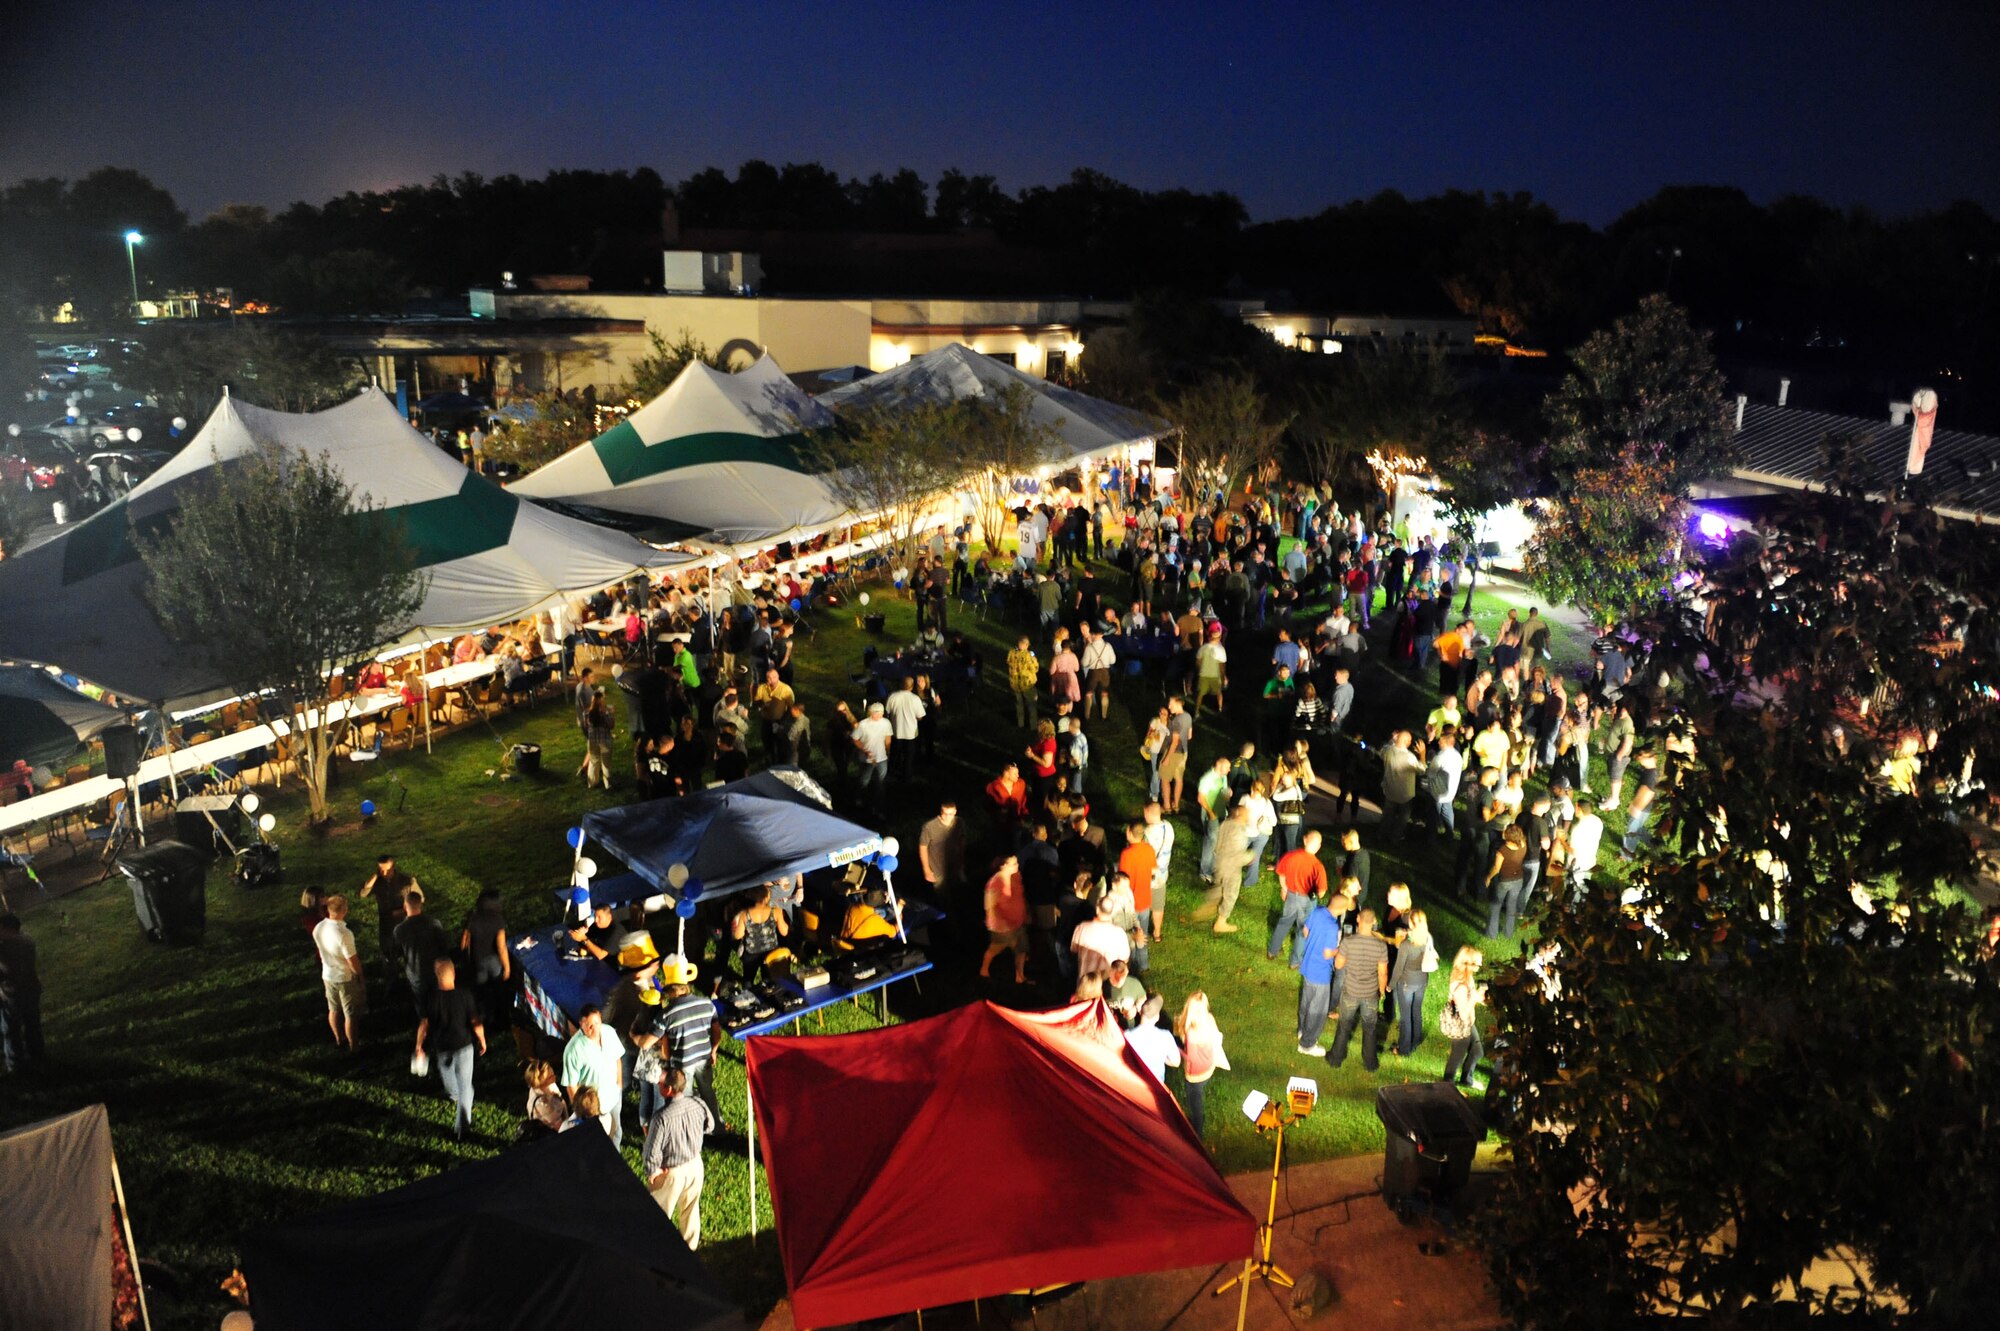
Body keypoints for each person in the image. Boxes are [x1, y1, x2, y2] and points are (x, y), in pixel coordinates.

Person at [413, 958, 486, 1140]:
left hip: (442, 1049)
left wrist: (419, 1046)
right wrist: (482, 1039)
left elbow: (424, 1025)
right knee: (464, 1087)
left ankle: (462, 1126)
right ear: (453, 974)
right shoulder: (465, 995)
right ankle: (462, 1103)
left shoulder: (431, 999)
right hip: (463, 1047)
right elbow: (475, 1021)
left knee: (454, 1084)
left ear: (437, 976)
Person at [644, 1067, 714, 1249]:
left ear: (668, 1089)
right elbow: (710, 1125)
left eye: (660, 1083)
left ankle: (657, 1252)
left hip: (672, 1172)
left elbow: (652, 1152)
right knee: (691, 1211)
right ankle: (689, 1252)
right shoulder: (698, 1103)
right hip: (695, 1166)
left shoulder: (661, 1118)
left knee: (657, 1215)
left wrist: (652, 1171)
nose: (658, 1085)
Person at [1326, 908, 1389, 1072]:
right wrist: (1381, 990)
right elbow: (1383, 972)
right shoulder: (1380, 945)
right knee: (1370, 1028)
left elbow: (1338, 964)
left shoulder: (1348, 942)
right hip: (1370, 993)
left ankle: (1335, 1059)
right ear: (1374, 922)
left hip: (1350, 992)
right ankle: (1370, 1063)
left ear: (1358, 920)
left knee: (1344, 1026)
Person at [562, 1004, 626, 1146]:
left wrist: (619, 1085)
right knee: (595, 1141)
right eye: (590, 1026)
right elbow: (571, 1084)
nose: (595, 1029)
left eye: (597, 1023)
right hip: (592, 1107)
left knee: (616, 1132)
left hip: (613, 1097)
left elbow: (617, 1059)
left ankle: (615, 1156)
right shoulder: (573, 1050)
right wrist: (581, 1110)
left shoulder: (609, 1032)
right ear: (581, 1025)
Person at [1294, 891, 1344, 1055]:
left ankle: (1302, 1030)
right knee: (1318, 1011)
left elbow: (1306, 931)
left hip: (1308, 966)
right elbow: (1327, 954)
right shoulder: (1332, 926)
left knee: (1306, 1002)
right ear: (1342, 909)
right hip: (1320, 973)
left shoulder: (1318, 911)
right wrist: (1340, 949)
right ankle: (1307, 1045)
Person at [312, 895, 365, 1050]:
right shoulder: (344, 933)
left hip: (328, 975)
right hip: (345, 977)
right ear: (344, 910)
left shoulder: (319, 928)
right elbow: (352, 960)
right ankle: (354, 1046)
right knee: (350, 1014)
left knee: (333, 1009)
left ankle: (339, 1039)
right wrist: (360, 976)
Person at [1268, 830, 1328, 963]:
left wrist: (1284, 889)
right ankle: (1295, 961)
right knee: (1303, 929)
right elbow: (1322, 892)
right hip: (1307, 900)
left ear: (1305, 840)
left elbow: (1281, 874)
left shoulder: (1290, 856)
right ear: (1319, 846)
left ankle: (1272, 951)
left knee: (1284, 922)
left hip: (1291, 896)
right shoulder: (1318, 866)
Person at [359, 852, 416, 991]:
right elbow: (363, 893)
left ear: (394, 867)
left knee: (408, 953)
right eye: (381, 870)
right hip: (386, 926)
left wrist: (401, 912)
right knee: (388, 955)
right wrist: (374, 878)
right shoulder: (377, 882)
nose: (384, 873)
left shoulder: (406, 881)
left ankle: (412, 981)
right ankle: (392, 985)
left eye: (387, 870)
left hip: (404, 924)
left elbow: (419, 900)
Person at [392, 888, 451, 1019]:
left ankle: (425, 1023)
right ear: (421, 905)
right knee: (438, 999)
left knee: (421, 1002)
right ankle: (440, 1019)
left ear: (405, 906)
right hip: (436, 970)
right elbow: (444, 946)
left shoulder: (400, 930)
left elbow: (397, 952)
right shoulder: (434, 923)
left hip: (416, 973)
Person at [459, 889, 511, 1036]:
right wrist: (507, 967)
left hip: (478, 962)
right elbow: (501, 946)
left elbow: (463, 943)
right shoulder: (498, 920)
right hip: (493, 962)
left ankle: (485, 1020)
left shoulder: (472, 918)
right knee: (498, 991)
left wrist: (466, 959)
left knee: (481, 993)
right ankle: (502, 1021)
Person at [1176, 991, 1228, 1139]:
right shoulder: (1209, 1018)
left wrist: (1178, 1050)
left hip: (1195, 1075)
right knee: (1199, 1093)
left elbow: (1191, 1058)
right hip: (1209, 1066)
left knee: (1195, 1102)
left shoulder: (1192, 1032)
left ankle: (1197, 1132)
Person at [1389, 908, 1437, 1056]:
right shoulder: (1427, 938)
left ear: (1411, 923)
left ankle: (1404, 1049)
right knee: (1416, 1011)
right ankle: (1416, 1040)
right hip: (1422, 981)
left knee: (1405, 1017)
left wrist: (1391, 985)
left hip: (1406, 984)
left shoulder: (1406, 945)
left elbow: (1398, 968)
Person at [1439, 946, 1487, 1089]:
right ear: (1468, 963)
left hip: (1468, 1023)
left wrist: (1478, 997)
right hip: (1461, 1025)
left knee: (1477, 1051)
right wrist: (1475, 997)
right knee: (1457, 1057)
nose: (1480, 966)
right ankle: (1447, 1084)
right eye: (1477, 963)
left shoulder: (1468, 977)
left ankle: (1467, 1079)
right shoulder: (1461, 985)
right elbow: (1464, 1013)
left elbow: (1469, 999)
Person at [0, 912, 43, 1070]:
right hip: (32, 989)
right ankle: (37, 1053)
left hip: (12, 994)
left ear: (6, 928)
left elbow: (5, 971)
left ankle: (15, 1062)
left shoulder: (5, 948)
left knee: (11, 1029)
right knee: (33, 1024)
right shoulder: (27, 939)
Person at [980, 855, 1030, 985]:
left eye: (1017, 863)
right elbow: (989, 906)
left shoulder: (1016, 877)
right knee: (996, 948)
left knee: (1021, 949)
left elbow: (1020, 896)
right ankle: (984, 970)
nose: (1017, 866)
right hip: (1002, 926)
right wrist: (1002, 922)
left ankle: (1020, 976)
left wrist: (1025, 913)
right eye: (1013, 864)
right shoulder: (995, 882)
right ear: (1003, 866)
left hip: (1018, 922)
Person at [1205, 803, 1253, 934]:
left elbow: (1217, 844)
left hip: (1219, 862)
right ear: (1242, 815)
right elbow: (1237, 856)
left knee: (1219, 886)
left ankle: (1209, 905)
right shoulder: (1240, 832)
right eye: (1247, 815)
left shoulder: (1225, 824)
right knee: (1231, 894)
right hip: (1231, 868)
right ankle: (1221, 922)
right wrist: (1250, 856)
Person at [731, 885, 790, 979]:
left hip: (751, 952)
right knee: (769, 980)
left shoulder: (745, 914)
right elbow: (784, 932)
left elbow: (738, 935)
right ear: (766, 898)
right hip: (770, 951)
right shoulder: (775, 911)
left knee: (748, 979)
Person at [1125, 993, 1181, 1085]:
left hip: (1133, 1084)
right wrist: (1162, 1056)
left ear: (1140, 1012)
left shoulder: (1127, 1036)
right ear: (1157, 1017)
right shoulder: (1165, 1037)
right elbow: (1176, 1062)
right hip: (1155, 1087)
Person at [1378, 730, 1423, 842]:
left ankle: (1381, 835)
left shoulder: (1387, 751)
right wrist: (1423, 754)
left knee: (1387, 814)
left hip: (1389, 791)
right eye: (1410, 740)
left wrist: (1392, 740)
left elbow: (1382, 750)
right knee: (1403, 817)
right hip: (1405, 794)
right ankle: (1396, 837)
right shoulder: (1409, 757)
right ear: (1406, 741)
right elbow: (1422, 769)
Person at [852, 701, 893, 815]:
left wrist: (888, 752)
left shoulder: (886, 723)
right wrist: (864, 750)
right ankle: (860, 799)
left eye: (882, 712)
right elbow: (855, 739)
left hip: (881, 758)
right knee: (864, 780)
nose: (880, 714)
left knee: (881, 782)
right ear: (871, 712)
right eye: (877, 712)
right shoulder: (863, 724)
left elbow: (888, 739)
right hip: (867, 759)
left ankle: (878, 805)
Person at [883, 677, 927, 781]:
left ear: (901, 684)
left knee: (895, 754)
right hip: (910, 734)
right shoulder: (915, 699)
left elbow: (887, 712)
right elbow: (920, 717)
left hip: (896, 731)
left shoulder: (892, 696)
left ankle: (891, 773)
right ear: (912, 686)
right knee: (908, 756)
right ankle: (906, 776)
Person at [1159, 695, 1194, 812]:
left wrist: (1167, 758)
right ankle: (1176, 805)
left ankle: (1167, 807)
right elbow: (1189, 736)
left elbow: (1174, 742)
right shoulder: (1188, 716)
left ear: (1178, 703)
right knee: (1179, 779)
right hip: (1184, 752)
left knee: (1165, 779)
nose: (1169, 707)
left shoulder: (1176, 721)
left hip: (1174, 752)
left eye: (1171, 704)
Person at [523, 1059, 567, 1136]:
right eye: (550, 1077)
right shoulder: (542, 1103)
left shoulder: (549, 1085)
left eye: (553, 1074)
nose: (555, 1077)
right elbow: (560, 1128)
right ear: (540, 1082)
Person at [583, 693, 616, 789]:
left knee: (593, 761)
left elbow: (586, 726)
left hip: (592, 741)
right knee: (606, 764)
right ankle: (607, 784)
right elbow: (611, 725)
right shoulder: (605, 714)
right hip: (605, 741)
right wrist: (611, 713)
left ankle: (592, 783)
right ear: (601, 701)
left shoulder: (586, 713)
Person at [1007, 636, 1041, 728]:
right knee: (1031, 705)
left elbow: (1009, 663)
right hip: (1027, 684)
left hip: (1015, 684)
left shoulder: (1011, 652)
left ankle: (1020, 724)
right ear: (1026, 645)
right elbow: (1035, 669)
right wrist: (1033, 658)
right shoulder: (1028, 655)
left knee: (1019, 705)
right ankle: (1033, 726)